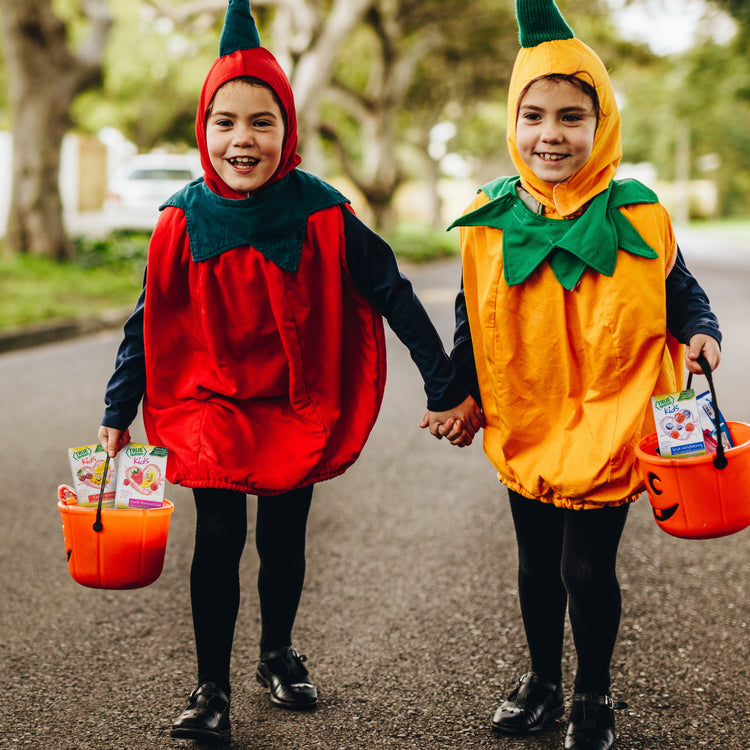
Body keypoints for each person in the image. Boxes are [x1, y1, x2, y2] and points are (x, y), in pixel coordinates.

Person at [97, 0, 482, 744]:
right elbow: (145, 319)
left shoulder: (324, 212)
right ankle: (210, 690)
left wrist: (443, 383)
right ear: (204, 131)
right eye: (226, 122)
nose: (243, 138)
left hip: (294, 398)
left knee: (283, 533)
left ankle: (277, 650)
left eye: (262, 121)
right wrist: (119, 408)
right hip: (211, 398)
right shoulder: (181, 217)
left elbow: (391, 291)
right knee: (216, 537)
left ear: (288, 129)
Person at [423, 1, 722, 749]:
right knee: (534, 568)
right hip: (528, 413)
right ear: (512, 122)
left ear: (602, 123)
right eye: (533, 116)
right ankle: (543, 681)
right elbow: (472, 314)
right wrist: (462, 392)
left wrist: (701, 332)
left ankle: (593, 694)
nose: (550, 134)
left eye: (570, 116)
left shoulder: (639, 211)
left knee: (585, 569)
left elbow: (678, 288)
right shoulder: (489, 217)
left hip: (612, 413)